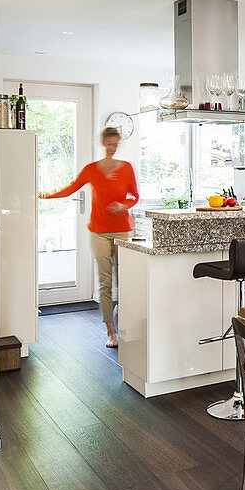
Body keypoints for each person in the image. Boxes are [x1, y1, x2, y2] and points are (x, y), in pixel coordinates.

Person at [41, 127, 139, 348]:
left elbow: (135, 196)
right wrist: (45, 195)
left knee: (124, 281)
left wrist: (124, 205)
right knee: (105, 282)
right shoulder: (92, 169)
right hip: (98, 232)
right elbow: (70, 188)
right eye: (109, 144)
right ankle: (110, 332)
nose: (112, 148)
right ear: (103, 143)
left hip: (122, 230)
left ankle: (124, 324)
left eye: (115, 144)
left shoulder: (126, 169)